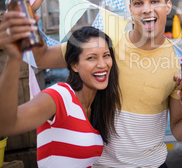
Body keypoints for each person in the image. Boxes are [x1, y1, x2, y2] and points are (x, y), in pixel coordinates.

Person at [22, 0, 182, 167]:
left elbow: (179, 133)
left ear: (168, 7)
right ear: (130, 9)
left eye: (155, 1)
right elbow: (40, 59)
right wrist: (27, 12)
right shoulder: (106, 41)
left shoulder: (179, 62)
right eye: (138, 3)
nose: (147, 9)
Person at [0, 12, 121, 168]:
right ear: (74, 65)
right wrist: (14, 57)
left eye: (106, 55)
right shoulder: (59, 97)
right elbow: (6, 125)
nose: (102, 64)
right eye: (91, 57)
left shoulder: (97, 105)